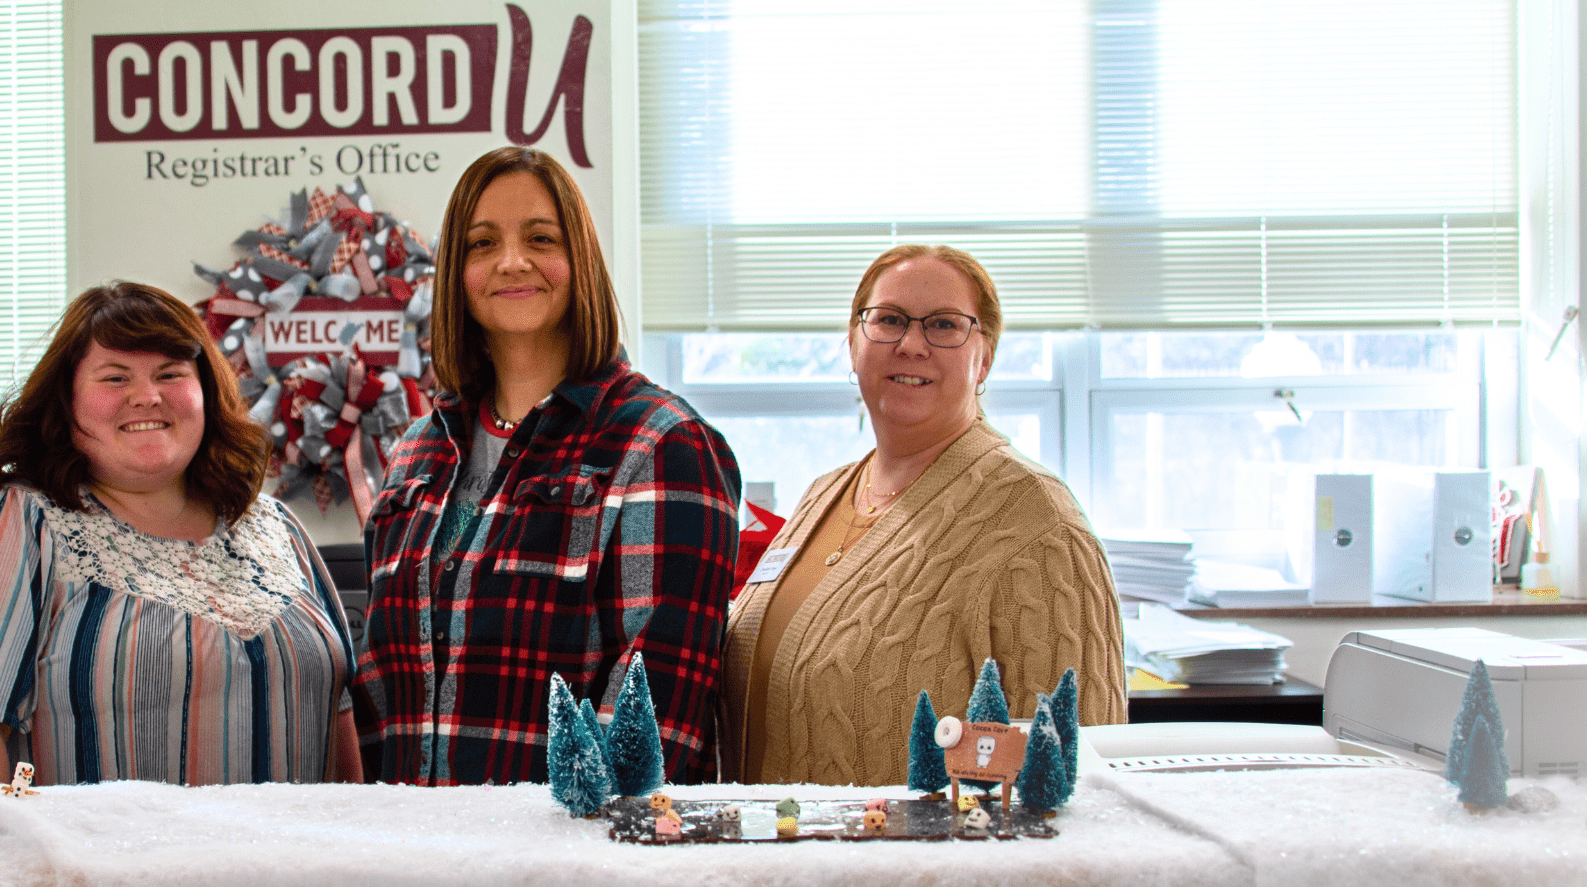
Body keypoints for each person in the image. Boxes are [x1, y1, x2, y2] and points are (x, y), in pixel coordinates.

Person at [353, 147, 743, 786]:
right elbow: (378, 696)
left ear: (581, 261)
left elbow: (651, 726)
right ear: (457, 273)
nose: (511, 261)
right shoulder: (418, 451)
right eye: (482, 244)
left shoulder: (661, 445)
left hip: (571, 866)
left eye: (541, 238)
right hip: (410, 857)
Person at [0, 282, 359, 786]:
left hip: (299, 862)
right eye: (115, 377)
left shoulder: (276, 525)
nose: (146, 396)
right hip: (100, 863)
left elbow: (337, 718)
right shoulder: (16, 521)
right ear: (68, 401)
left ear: (206, 393)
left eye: (170, 374)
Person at [718, 244, 1127, 787]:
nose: (911, 345)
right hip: (779, 860)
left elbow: (1079, 774)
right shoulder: (824, 494)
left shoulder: (1039, 523)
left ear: (984, 357)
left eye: (943, 325)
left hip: (920, 868)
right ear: (853, 341)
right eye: (887, 320)